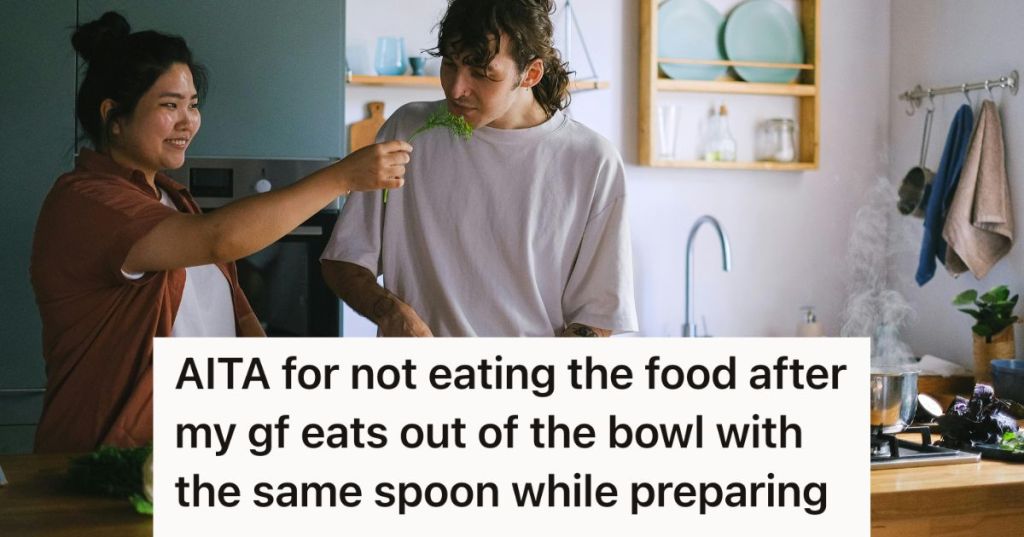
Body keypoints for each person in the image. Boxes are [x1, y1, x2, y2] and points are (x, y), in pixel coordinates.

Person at [29, 12, 411, 452]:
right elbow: (219, 239)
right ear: (113, 116)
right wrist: (341, 177)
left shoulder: (173, 199)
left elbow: (225, 321)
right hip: (110, 458)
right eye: (169, 105)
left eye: (192, 104)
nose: (188, 121)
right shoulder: (88, 202)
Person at [321, 0, 637, 337]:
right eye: (450, 64)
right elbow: (344, 259)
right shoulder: (407, 131)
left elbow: (598, 316)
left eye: (482, 73)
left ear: (530, 74)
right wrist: (388, 311)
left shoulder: (592, 160)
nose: (456, 88)